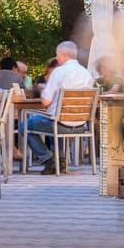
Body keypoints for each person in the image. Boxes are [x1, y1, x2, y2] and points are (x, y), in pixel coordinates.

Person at [25, 41, 95, 170]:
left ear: (63, 54)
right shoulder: (87, 74)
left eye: (57, 55)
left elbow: (45, 102)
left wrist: (42, 90)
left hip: (60, 124)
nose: (56, 58)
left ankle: (48, 159)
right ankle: (61, 159)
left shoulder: (59, 72)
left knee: (26, 124)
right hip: (80, 125)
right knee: (55, 118)